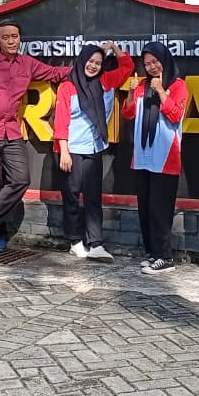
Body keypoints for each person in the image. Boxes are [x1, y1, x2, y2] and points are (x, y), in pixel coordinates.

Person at [0, 19, 71, 251]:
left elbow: (55, 73)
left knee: (21, 179)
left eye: (15, 36)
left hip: (12, 131)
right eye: (6, 37)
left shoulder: (27, 63)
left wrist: (85, 66)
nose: (11, 41)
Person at [53, 41, 132, 262]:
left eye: (98, 62)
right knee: (71, 195)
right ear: (81, 61)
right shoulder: (68, 87)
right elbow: (61, 120)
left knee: (93, 197)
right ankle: (75, 241)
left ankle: (96, 243)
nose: (93, 66)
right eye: (90, 61)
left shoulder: (106, 81)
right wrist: (64, 151)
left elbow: (127, 67)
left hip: (94, 148)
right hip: (71, 149)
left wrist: (114, 48)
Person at [121, 41, 189, 275]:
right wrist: (131, 92)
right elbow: (128, 113)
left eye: (155, 61)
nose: (151, 67)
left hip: (165, 156)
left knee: (161, 209)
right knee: (146, 207)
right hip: (143, 156)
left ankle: (165, 257)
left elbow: (176, 115)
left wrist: (161, 91)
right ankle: (153, 253)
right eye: (147, 63)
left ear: (165, 60)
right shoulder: (141, 85)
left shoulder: (178, 85)